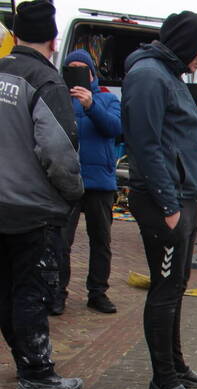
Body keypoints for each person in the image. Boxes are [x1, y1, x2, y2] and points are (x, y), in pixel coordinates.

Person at [121, 10, 197, 389]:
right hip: (165, 201)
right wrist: (167, 205)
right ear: (188, 41)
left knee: (177, 286)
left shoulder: (170, 75)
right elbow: (144, 145)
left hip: (182, 196)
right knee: (164, 291)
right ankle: (162, 382)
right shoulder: (149, 76)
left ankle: (176, 366)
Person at [0, 0, 85, 389]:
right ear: (54, 40)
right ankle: (37, 372)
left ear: (14, 35)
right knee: (31, 290)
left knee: (6, 289)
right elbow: (58, 153)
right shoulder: (46, 82)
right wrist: (72, 196)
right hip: (31, 209)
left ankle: (24, 360)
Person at [55, 48, 121, 315]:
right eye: (72, 69)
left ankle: (98, 292)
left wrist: (90, 106)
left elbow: (116, 129)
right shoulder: (57, 97)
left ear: (92, 72)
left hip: (100, 182)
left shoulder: (106, 99)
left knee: (101, 241)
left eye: (83, 69)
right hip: (66, 181)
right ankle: (57, 292)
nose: (79, 74)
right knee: (60, 241)